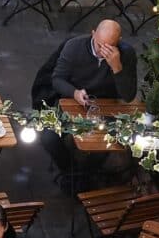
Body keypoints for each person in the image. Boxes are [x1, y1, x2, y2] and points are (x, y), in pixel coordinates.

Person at [46, 19, 140, 183]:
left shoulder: (127, 54)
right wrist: (74, 92)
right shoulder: (74, 47)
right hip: (75, 103)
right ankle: (74, 174)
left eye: (109, 47)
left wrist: (117, 68)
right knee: (52, 137)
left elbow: (128, 96)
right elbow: (57, 79)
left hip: (106, 107)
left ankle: (87, 174)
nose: (102, 51)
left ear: (118, 42)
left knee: (107, 143)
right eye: (99, 45)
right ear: (93, 34)